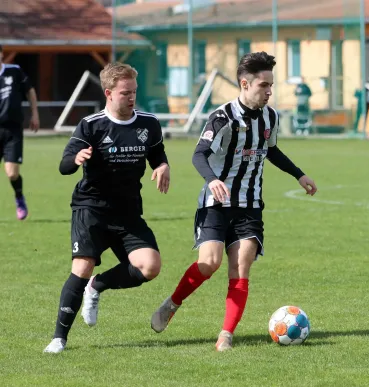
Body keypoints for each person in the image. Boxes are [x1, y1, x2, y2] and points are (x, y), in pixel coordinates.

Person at [150, 51, 317, 351]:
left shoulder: (271, 116)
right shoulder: (222, 117)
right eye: (263, 85)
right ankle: (173, 303)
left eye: (271, 85)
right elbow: (198, 154)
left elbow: (272, 150)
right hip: (215, 204)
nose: (269, 91)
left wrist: (299, 175)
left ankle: (225, 335)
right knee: (209, 264)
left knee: (240, 268)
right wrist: (212, 180)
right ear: (244, 84)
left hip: (250, 205)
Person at [44, 62, 171, 354]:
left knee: (150, 267)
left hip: (127, 211)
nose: (132, 97)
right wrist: (76, 158)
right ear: (109, 93)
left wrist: (163, 166)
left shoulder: (148, 123)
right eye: (125, 93)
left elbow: (157, 154)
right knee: (82, 265)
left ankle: (97, 285)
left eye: (134, 92)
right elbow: (64, 166)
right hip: (91, 208)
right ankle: (59, 338)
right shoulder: (91, 125)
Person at [0, 45, 40, 220]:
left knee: (12, 173)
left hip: (12, 130)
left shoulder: (14, 71)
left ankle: (19, 198)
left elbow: (30, 91)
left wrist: (35, 113)